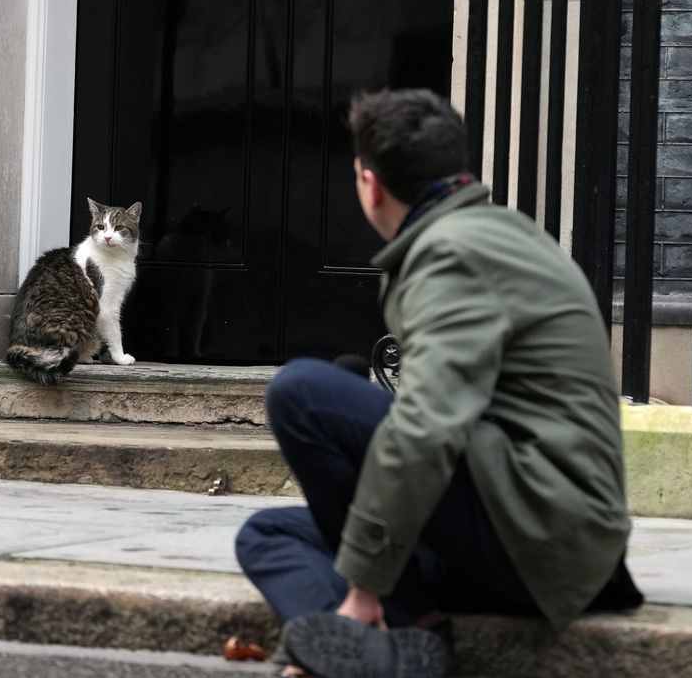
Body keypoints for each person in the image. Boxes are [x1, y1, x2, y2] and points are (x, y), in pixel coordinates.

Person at [235, 89, 642, 676]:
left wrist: (366, 586)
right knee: (268, 534)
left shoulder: (451, 253)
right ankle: (401, 643)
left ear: (370, 184)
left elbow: (426, 427)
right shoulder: (493, 233)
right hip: (528, 525)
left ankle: (370, 625)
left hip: (540, 540)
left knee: (300, 393)